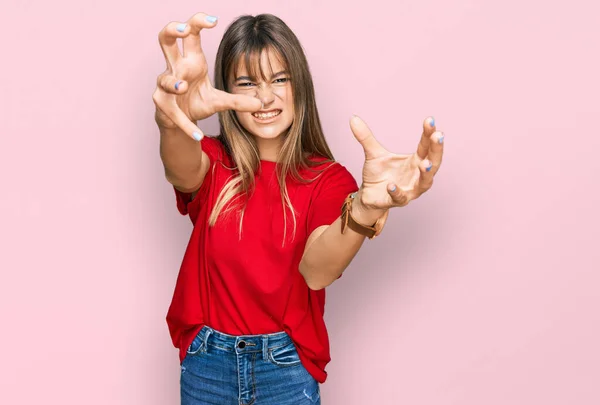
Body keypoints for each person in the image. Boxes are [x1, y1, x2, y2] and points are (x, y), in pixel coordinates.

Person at [153, 12, 444, 405]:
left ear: (299, 85)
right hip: (208, 365)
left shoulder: (328, 180)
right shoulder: (213, 160)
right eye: (247, 83)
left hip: (285, 371)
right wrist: (173, 118)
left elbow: (316, 270)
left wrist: (363, 209)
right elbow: (181, 170)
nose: (266, 98)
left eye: (279, 79)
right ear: (227, 91)